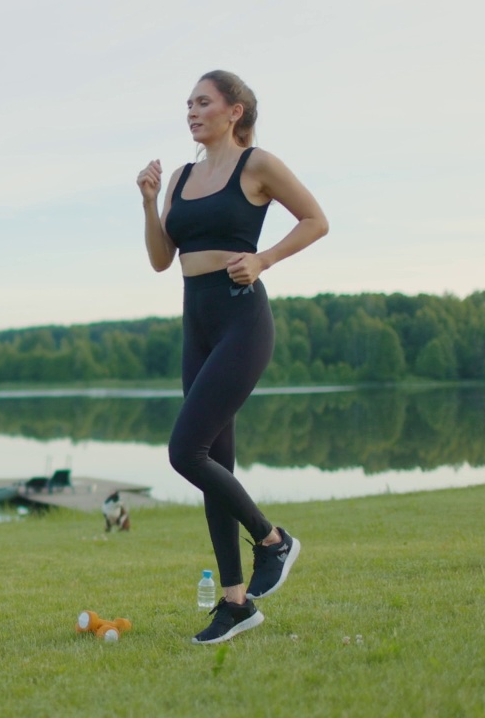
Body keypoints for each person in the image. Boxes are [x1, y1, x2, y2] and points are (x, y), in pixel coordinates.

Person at [135, 70, 328, 644]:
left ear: (234, 111)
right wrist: (149, 204)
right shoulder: (182, 177)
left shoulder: (257, 165)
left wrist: (264, 260)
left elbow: (316, 220)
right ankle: (236, 602)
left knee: (183, 450)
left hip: (243, 317)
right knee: (212, 466)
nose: (191, 111)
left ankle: (274, 540)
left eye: (202, 102)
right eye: (188, 103)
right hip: (197, 323)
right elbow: (160, 260)